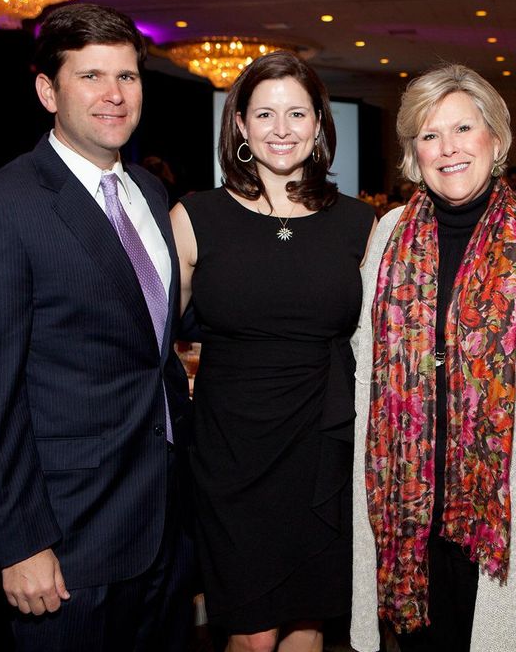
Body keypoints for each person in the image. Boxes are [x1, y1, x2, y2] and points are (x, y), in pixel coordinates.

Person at [0, 3, 195, 651]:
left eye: (128, 77)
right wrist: (20, 542)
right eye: (92, 76)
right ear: (48, 89)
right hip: (70, 538)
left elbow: (148, 351)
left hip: (164, 519)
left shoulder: (149, 192)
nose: (114, 95)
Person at [350, 64, 516, 652]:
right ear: (412, 153)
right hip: (407, 506)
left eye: (463, 128)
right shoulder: (387, 234)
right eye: (429, 135)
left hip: (501, 506)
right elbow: (360, 360)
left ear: (494, 139)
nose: (447, 149)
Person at [170, 51, 375, 652]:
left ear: (319, 125)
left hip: (324, 444)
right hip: (231, 452)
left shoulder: (362, 224)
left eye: (296, 113)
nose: (281, 129)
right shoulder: (195, 216)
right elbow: (151, 337)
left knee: (309, 622)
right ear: (239, 125)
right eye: (264, 114)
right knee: (253, 635)